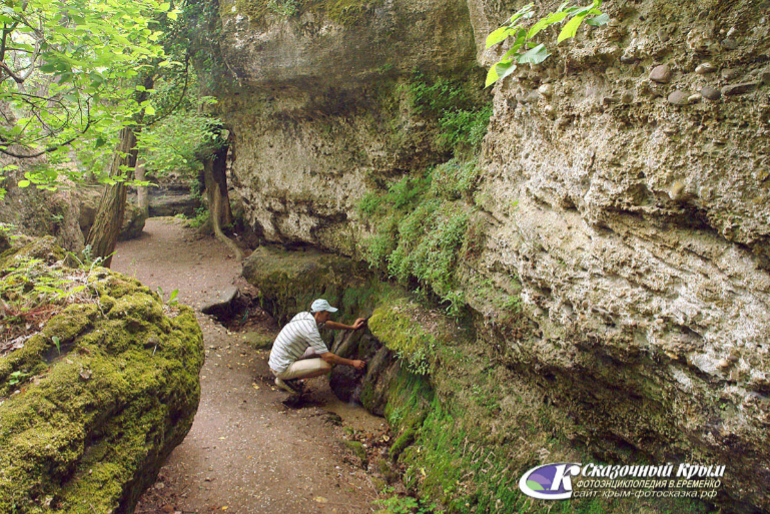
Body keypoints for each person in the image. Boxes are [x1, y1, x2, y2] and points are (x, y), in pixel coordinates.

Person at [268, 298, 367, 394]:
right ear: (318, 313)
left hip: (277, 361)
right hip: (281, 368)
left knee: (315, 350)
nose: (328, 317)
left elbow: (329, 324)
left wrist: (351, 327)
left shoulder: (304, 315)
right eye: (327, 315)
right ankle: (287, 380)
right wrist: (352, 363)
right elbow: (328, 357)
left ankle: (287, 376)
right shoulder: (310, 329)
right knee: (326, 365)